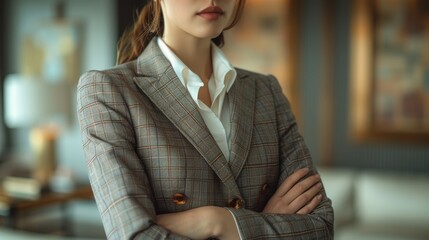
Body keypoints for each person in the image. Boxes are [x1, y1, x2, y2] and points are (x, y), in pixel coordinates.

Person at [77, 0, 334, 239]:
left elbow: (321, 226)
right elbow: (135, 235)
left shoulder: (265, 90)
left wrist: (215, 221)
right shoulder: (107, 90)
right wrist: (259, 223)